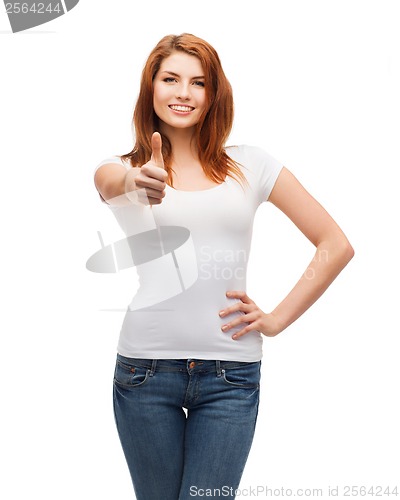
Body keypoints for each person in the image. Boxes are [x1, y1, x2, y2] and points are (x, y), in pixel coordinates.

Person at [93, 33, 354, 500]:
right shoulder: (119, 167)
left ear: (214, 94)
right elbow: (115, 183)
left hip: (230, 376)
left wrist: (276, 319)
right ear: (150, 87)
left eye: (198, 82)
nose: (183, 93)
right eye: (170, 78)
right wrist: (138, 180)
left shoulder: (251, 166)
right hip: (145, 373)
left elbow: (334, 244)